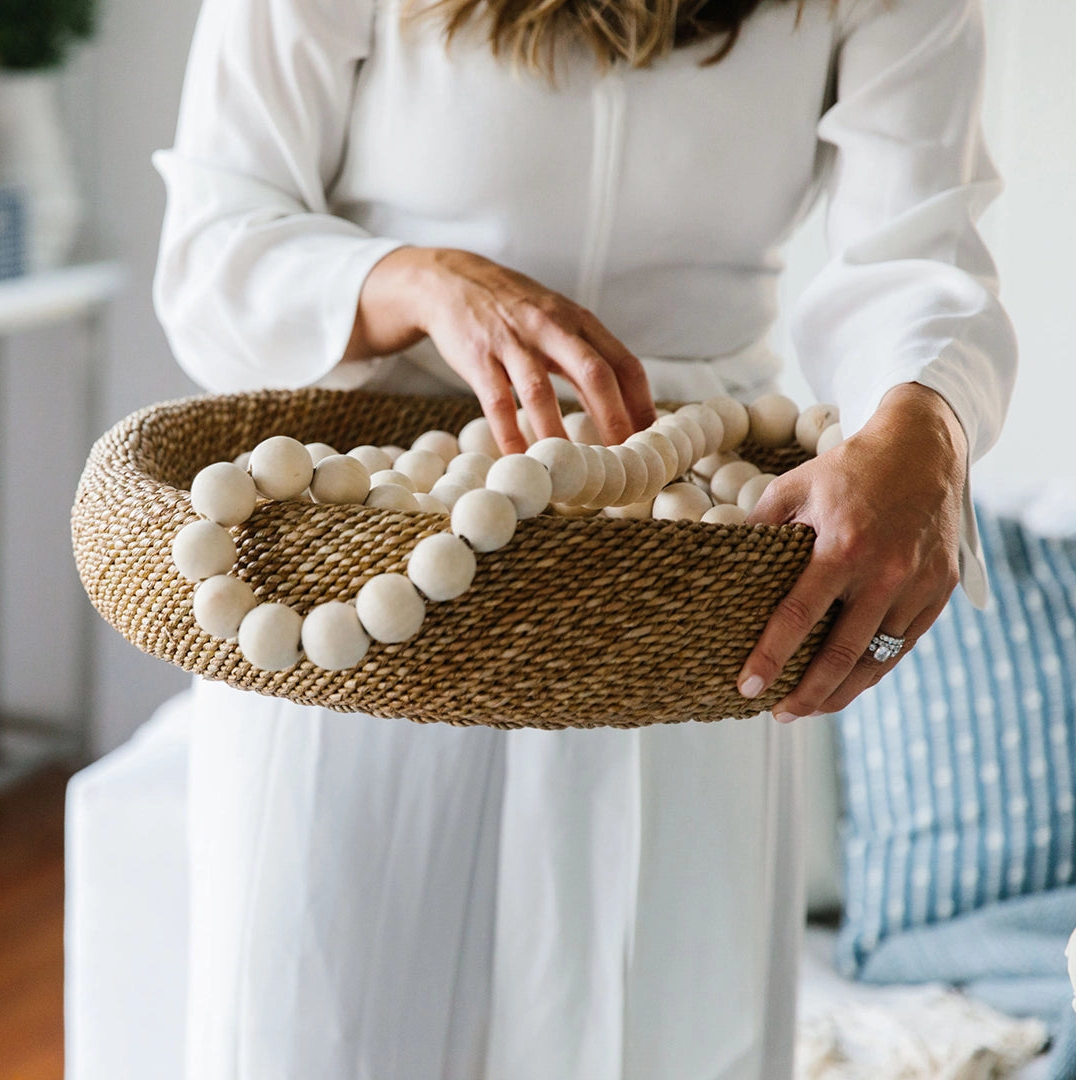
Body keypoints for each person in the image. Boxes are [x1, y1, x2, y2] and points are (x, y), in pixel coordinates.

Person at [153, 0, 1016, 1076]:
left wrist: (926, 418)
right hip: (370, 536)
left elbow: (918, 251)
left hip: (683, 570)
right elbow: (210, 245)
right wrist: (414, 279)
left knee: (658, 1023)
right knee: (323, 1022)